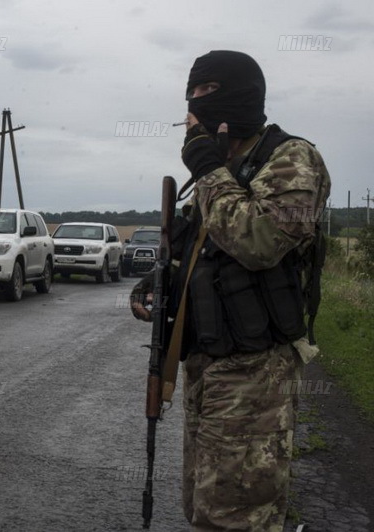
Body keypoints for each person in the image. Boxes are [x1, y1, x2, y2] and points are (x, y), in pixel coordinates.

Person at [131, 50, 331, 531]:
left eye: (206, 93)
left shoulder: (290, 159)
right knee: (203, 506)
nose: (193, 107)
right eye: (192, 94)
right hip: (207, 366)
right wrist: (162, 279)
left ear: (244, 95)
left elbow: (260, 243)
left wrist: (207, 171)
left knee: (236, 515)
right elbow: (208, 252)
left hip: (255, 371)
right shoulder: (222, 168)